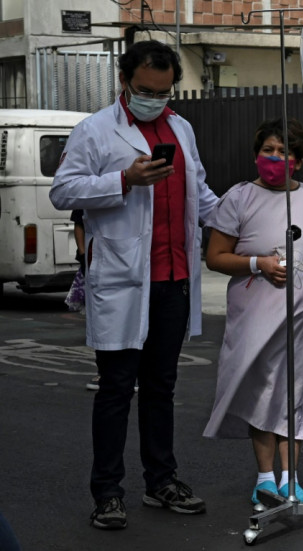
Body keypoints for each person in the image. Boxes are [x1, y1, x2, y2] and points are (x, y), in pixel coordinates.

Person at [49, 40, 217, 530]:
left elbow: (200, 195)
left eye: (164, 93)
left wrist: (245, 216)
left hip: (174, 276)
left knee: (162, 387)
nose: (154, 100)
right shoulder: (95, 130)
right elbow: (63, 190)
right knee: (117, 388)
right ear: (124, 82)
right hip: (124, 278)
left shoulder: (181, 129)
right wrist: (124, 180)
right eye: (145, 91)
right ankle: (107, 492)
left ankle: (161, 480)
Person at [203, 119, 303, 505]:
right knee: (261, 389)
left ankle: (291, 480)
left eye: (284, 152)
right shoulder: (239, 198)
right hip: (255, 316)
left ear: (298, 161)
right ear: (256, 154)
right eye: (268, 150)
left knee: (298, 391)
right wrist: (258, 265)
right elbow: (215, 257)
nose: (275, 158)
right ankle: (265, 478)